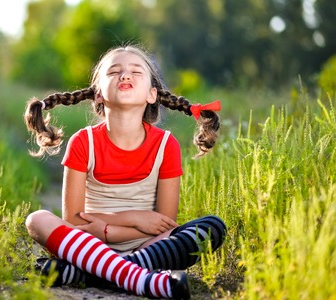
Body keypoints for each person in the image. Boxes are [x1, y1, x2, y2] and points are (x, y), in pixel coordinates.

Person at [23, 45, 226, 299]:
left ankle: (89, 273)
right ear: (97, 95)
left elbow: (163, 223)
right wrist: (132, 218)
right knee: (36, 220)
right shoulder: (83, 142)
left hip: (147, 245)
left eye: (136, 71)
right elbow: (74, 221)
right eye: (115, 71)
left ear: (152, 94)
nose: (125, 76)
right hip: (90, 243)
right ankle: (139, 278)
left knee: (213, 227)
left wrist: (109, 229)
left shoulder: (166, 145)